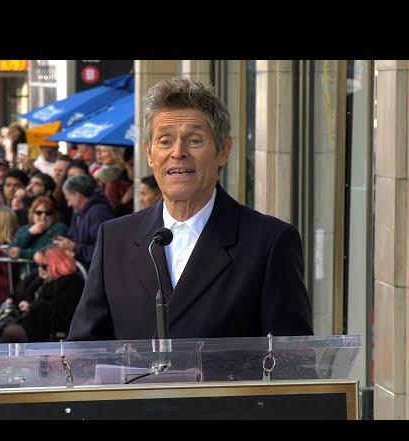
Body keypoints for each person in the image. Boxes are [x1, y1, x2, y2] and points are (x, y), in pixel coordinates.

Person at [67, 76, 312, 342]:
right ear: (149, 154)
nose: (178, 152)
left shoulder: (269, 242)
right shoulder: (115, 238)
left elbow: (294, 361)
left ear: (223, 150)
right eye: (165, 141)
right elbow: (83, 351)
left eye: (195, 140)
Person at [0, 246, 85, 344]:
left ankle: (3, 365)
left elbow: (61, 311)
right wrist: (14, 300)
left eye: (43, 265)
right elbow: (20, 292)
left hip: (48, 328)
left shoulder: (71, 282)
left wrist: (31, 306)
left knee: (10, 333)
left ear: (54, 265)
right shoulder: (39, 276)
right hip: (28, 321)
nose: (40, 269)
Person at [53, 174, 114, 269]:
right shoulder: (78, 211)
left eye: (68, 199)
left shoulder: (98, 213)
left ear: (77, 195)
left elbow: (103, 251)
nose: (68, 204)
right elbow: (72, 236)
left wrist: (74, 248)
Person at [8, 196, 67, 261]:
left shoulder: (59, 228)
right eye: (39, 213)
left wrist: (22, 253)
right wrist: (29, 233)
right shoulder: (24, 229)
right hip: (24, 271)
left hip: (47, 270)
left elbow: (49, 252)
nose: (43, 216)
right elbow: (11, 250)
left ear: (53, 216)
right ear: (32, 214)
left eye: (48, 213)